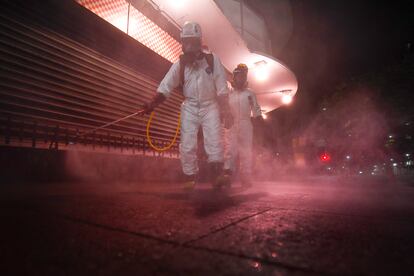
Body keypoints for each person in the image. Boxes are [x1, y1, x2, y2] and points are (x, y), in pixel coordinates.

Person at [142, 21, 233, 189]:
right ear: (182, 43)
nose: (189, 46)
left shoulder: (213, 61)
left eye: (192, 42)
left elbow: (221, 88)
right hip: (190, 106)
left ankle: (217, 176)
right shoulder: (180, 65)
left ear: (199, 42)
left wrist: (226, 110)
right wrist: (152, 104)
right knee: (188, 142)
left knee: (214, 140)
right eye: (186, 42)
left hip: (210, 105)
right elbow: (165, 87)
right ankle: (189, 177)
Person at [224, 63, 262, 187]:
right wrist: (225, 116)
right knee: (230, 149)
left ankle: (245, 177)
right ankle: (227, 176)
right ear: (234, 77)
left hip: (246, 123)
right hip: (232, 123)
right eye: (239, 76)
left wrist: (259, 120)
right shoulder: (229, 92)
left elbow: (256, 108)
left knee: (246, 151)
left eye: (243, 76)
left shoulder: (250, 93)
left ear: (246, 78)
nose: (241, 78)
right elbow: (223, 106)